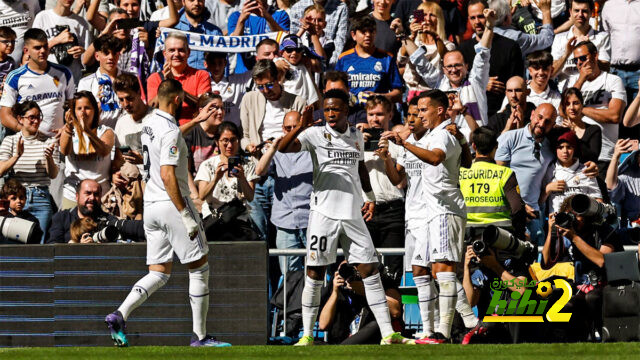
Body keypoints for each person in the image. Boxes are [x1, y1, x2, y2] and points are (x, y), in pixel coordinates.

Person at [278, 90, 414, 345]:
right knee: (315, 272)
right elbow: (283, 148)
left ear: (346, 111)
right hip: (323, 214)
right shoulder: (314, 133)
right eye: (327, 109)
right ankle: (306, 335)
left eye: (336, 109)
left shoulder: (355, 135)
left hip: (352, 214)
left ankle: (388, 335)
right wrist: (301, 127)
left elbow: (361, 167)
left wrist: (370, 196)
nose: (330, 114)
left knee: (370, 271)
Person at [105, 79, 230, 348]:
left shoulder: (150, 122)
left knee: (159, 272)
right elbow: (167, 173)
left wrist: (196, 120)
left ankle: (120, 314)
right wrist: (185, 213)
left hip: (151, 206)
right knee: (199, 267)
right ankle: (200, 337)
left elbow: (169, 136)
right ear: (176, 100)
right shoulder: (170, 130)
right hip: (172, 204)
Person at [385, 90, 471, 344]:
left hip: (443, 209)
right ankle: (438, 329)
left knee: (442, 270)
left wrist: (405, 144)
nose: (418, 116)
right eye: (415, 112)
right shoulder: (434, 135)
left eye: (422, 110)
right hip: (427, 214)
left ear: (440, 110)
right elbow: (399, 178)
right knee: (429, 271)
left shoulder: (442, 135)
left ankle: (445, 330)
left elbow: (436, 159)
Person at [380, 97, 433, 334]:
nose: (412, 119)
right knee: (419, 272)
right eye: (409, 115)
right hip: (412, 217)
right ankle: (429, 327)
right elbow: (397, 179)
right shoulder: (406, 145)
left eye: (417, 114)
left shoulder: (436, 140)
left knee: (436, 272)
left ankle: (441, 325)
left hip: (433, 215)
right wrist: (387, 159)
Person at [400, 7, 496, 136]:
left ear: (466, 66)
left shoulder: (476, 83)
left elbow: (483, 56)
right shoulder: (440, 83)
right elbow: (419, 61)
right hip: (445, 148)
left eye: (457, 65)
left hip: (473, 148)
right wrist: (402, 35)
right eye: (449, 67)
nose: (453, 70)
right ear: (443, 69)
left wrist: (489, 27)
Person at [240, 59, 306, 242]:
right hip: (258, 172)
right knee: (259, 232)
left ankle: (282, 271)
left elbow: (301, 140)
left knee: (285, 231)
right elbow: (244, 136)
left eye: (269, 85)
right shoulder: (249, 99)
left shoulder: (297, 102)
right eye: (260, 86)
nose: (265, 90)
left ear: (279, 79)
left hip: (286, 175)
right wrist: (248, 146)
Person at [543, 194, 621, 340]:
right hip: (580, 287)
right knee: (553, 296)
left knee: (592, 297)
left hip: (607, 286)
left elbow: (602, 261)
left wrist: (574, 237)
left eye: (578, 216)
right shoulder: (567, 232)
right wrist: (551, 232)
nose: (574, 219)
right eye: (570, 215)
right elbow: (546, 263)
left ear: (588, 216)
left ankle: (598, 334)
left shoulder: (604, 231)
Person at [559, 41, 627, 179]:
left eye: (583, 58)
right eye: (575, 60)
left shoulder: (612, 80)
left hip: (604, 155)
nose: (579, 62)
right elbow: (562, 111)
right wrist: (581, 79)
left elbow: (614, 116)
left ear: (595, 56)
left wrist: (580, 109)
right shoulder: (573, 83)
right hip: (574, 155)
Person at [256, 111, 313, 274]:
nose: (293, 131)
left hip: (311, 219)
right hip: (285, 220)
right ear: (282, 129)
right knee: (289, 275)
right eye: (288, 128)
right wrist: (273, 147)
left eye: (297, 127)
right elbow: (259, 171)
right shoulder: (277, 151)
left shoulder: (313, 147)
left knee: (317, 273)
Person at [359, 96, 406, 283]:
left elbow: (400, 181)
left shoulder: (397, 143)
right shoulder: (355, 141)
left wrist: (388, 154)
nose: (375, 119)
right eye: (371, 114)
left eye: (379, 114)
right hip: (364, 210)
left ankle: (393, 310)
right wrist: (356, 144)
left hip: (392, 210)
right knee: (365, 269)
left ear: (390, 114)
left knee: (392, 269)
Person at [0, 101, 59, 243]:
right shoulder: (11, 140)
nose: (36, 121)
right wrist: (16, 156)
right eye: (31, 117)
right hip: (17, 197)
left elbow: (53, 174)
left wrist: (49, 158)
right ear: (20, 119)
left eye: (39, 117)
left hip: (41, 196)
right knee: (15, 242)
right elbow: (0, 171)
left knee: (40, 241)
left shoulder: (48, 141)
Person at [0, 28, 75, 138]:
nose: (43, 51)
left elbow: (73, 107)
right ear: (26, 51)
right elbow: (5, 116)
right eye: (37, 48)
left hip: (58, 141)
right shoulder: (15, 77)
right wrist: (28, 133)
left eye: (45, 46)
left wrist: (67, 127)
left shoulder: (64, 73)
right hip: (29, 145)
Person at [194, 121, 260, 241]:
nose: (229, 145)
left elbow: (250, 196)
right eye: (225, 141)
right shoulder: (207, 165)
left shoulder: (247, 165)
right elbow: (202, 195)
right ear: (217, 142)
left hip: (238, 219)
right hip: (214, 220)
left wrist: (242, 178)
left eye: (233, 140)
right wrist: (216, 178)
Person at [459, 0, 524, 116]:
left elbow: (517, 81)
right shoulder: (463, 49)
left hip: (503, 112)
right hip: (474, 112)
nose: (477, 22)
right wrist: (482, 83)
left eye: (480, 17)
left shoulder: (510, 46)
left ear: (490, 15)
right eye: (472, 18)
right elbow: (457, 81)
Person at [318, 262, 403, 344]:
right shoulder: (338, 287)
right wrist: (335, 292)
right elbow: (323, 325)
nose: (350, 273)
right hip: (340, 340)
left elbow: (395, 312)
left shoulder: (380, 282)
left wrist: (366, 291)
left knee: (375, 324)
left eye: (354, 267)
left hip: (369, 339)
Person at [59, 91, 115, 209]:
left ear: (95, 110)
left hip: (101, 195)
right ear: (73, 111)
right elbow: (65, 151)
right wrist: (69, 127)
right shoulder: (68, 131)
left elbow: (104, 151)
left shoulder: (106, 131)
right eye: (79, 108)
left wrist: (88, 131)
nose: (83, 112)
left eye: (87, 108)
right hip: (73, 194)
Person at [47, 179, 145, 244]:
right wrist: (76, 247)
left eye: (96, 194)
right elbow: (52, 248)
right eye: (88, 193)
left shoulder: (108, 220)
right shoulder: (62, 218)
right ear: (77, 196)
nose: (92, 198)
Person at [147, 32, 212, 126]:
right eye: (172, 50)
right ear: (165, 54)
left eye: (181, 50)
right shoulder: (154, 78)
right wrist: (167, 85)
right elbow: (151, 109)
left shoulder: (201, 75)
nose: (176, 54)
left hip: (193, 132)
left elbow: (204, 107)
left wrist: (175, 87)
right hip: (165, 133)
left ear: (188, 52)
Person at [335, 15, 403, 104]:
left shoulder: (387, 58)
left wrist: (378, 97)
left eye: (371, 31)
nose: (368, 35)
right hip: (351, 113)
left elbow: (398, 93)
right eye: (363, 32)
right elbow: (336, 88)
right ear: (353, 35)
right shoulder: (344, 58)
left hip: (377, 112)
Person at [397, 0, 456, 100]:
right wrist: (412, 36)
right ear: (418, 18)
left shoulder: (447, 45)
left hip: (433, 94)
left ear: (439, 19)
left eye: (432, 15)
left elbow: (447, 60)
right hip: (409, 92)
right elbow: (401, 60)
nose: (428, 19)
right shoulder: (414, 41)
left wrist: (435, 35)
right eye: (424, 15)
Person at [541, 130, 602, 215]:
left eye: (569, 147)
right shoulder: (549, 170)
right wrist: (548, 189)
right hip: (556, 221)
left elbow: (598, 200)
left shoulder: (586, 170)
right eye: (560, 147)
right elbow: (539, 203)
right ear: (555, 149)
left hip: (580, 221)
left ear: (574, 149)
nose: (565, 151)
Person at [33, 0, 92, 83]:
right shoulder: (43, 17)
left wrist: (81, 52)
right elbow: (33, 52)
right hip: (47, 80)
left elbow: (86, 61)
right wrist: (57, 40)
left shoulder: (81, 22)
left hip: (72, 80)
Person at [551, 0, 611, 80]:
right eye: (576, 10)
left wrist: (589, 49)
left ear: (591, 13)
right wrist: (566, 55)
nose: (580, 14)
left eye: (584, 11)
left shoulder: (602, 37)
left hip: (592, 89)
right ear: (570, 12)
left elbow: (605, 69)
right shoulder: (559, 38)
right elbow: (552, 74)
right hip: (566, 90)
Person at [77, 34, 126, 129]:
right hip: (98, 135)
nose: (111, 57)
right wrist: (99, 104)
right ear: (97, 56)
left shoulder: (130, 79)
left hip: (125, 134)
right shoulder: (86, 83)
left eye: (115, 53)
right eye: (106, 53)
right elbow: (82, 119)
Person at [228, 0, 290, 74]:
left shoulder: (280, 14)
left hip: (271, 73)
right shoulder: (236, 16)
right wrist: (241, 21)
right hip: (244, 74)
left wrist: (268, 18)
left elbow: (284, 41)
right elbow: (233, 45)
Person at [289, 0, 348, 67]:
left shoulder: (328, 42)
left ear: (325, 24)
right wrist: (303, 28)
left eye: (319, 20)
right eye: (311, 20)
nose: (316, 23)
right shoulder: (296, 7)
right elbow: (290, 45)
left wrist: (313, 33)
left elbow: (323, 58)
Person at [602, 0, 640, 102]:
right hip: (615, 72)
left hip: (638, 72)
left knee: (636, 115)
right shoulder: (609, 5)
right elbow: (605, 36)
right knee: (615, 114)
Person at [489, 0, 554, 57]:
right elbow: (546, 39)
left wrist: (508, 17)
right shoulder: (515, 37)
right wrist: (546, 11)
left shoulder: (486, 34)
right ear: (506, 18)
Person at [203, 51, 250, 126]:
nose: (217, 67)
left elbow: (258, 72)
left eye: (220, 63)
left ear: (225, 62)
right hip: (210, 131)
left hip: (234, 131)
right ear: (205, 64)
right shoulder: (201, 84)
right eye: (213, 63)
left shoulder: (237, 81)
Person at [183, 93, 225, 176]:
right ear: (202, 111)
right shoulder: (190, 133)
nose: (220, 112)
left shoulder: (226, 132)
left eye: (222, 108)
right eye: (215, 108)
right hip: (195, 185)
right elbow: (185, 172)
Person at [174, 0, 223, 70]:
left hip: (208, 79)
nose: (196, 3)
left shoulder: (215, 32)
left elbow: (223, 64)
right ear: (183, 2)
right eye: (191, 0)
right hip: (180, 79)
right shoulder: (173, 29)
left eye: (200, 0)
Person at [275, 34, 321, 107]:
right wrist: (276, 65)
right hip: (288, 107)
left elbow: (319, 66)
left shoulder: (304, 63)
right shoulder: (280, 63)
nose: (294, 53)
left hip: (307, 105)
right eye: (289, 50)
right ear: (282, 52)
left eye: (298, 50)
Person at [558, 87, 602, 164]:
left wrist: (573, 132)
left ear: (582, 105)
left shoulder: (594, 129)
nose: (572, 107)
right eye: (568, 104)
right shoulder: (559, 131)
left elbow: (593, 158)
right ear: (564, 108)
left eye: (575, 103)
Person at [607, 140, 640, 232]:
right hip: (632, 230)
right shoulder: (627, 178)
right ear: (637, 159)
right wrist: (615, 157)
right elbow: (611, 187)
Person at [0, 179, 43, 244]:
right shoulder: (3, 218)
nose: (18, 201)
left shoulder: (31, 219)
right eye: (13, 198)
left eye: (21, 197)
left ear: (26, 198)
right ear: (6, 200)